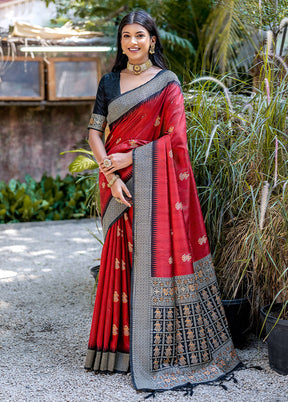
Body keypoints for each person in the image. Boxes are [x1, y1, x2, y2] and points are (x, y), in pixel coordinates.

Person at [84, 10, 240, 393]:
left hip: (152, 185)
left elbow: (177, 138)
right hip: (117, 184)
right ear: (120, 42)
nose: (133, 43)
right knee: (120, 262)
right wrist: (111, 174)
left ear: (152, 40)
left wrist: (132, 159)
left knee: (154, 259)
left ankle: (159, 348)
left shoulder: (167, 83)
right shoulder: (108, 82)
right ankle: (116, 350)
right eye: (125, 36)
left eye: (140, 35)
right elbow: (93, 133)